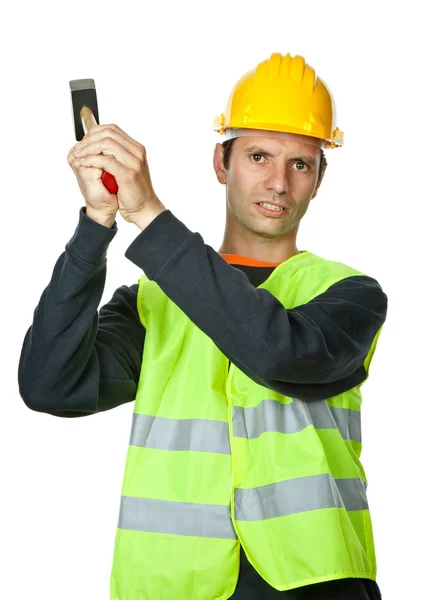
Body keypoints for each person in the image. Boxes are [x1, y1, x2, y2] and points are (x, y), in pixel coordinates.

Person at [18, 52, 387, 600]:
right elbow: (50, 384)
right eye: (259, 156)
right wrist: (97, 223)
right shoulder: (152, 302)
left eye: (301, 164)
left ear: (319, 179)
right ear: (221, 162)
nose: (279, 182)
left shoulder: (349, 294)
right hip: (173, 586)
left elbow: (277, 353)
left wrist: (148, 215)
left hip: (314, 587)